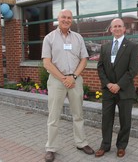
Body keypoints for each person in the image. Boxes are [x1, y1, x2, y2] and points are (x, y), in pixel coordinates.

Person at [41, 9, 94, 162]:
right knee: (54, 116)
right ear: (58, 19)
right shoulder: (49, 38)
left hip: (75, 80)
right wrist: (64, 78)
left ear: (72, 20)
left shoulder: (78, 38)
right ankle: (51, 148)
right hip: (57, 81)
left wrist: (74, 77)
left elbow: (84, 59)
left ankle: (81, 143)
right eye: (63, 17)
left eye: (69, 18)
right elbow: (47, 62)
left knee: (78, 114)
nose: (66, 20)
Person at [95, 18, 138, 158]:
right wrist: (108, 84)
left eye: (120, 26)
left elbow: (133, 70)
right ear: (111, 29)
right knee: (106, 119)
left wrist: (119, 85)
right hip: (108, 90)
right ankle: (105, 145)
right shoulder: (105, 47)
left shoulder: (132, 46)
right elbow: (100, 67)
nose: (118, 28)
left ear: (124, 29)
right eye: (115, 26)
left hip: (124, 90)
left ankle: (121, 146)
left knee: (125, 120)